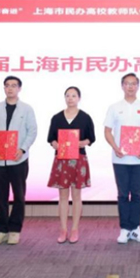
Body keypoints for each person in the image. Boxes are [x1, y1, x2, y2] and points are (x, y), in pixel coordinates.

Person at [0, 76, 38, 245]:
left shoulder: (26, 109)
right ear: (4, 88)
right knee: (0, 195)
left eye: (14, 86)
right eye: (7, 85)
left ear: (19, 89)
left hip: (18, 159)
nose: (10, 88)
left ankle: (15, 230)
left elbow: (32, 131)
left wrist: (22, 149)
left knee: (19, 195)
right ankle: (1, 230)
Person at [104, 73, 140, 244]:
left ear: (138, 86)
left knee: (136, 194)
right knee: (122, 194)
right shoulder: (114, 107)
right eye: (127, 83)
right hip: (120, 158)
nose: (130, 87)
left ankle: (136, 228)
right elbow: (107, 131)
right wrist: (115, 147)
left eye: (133, 84)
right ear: (122, 86)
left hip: (139, 158)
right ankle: (124, 229)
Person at [47, 86, 95, 244]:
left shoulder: (85, 117)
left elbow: (91, 138)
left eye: (74, 96)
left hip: (78, 159)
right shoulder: (57, 117)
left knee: (76, 196)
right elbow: (51, 138)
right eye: (67, 95)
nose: (70, 98)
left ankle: (74, 229)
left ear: (79, 98)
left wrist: (83, 142)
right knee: (62, 196)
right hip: (61, 159)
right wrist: (54, 144)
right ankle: (63, 229)